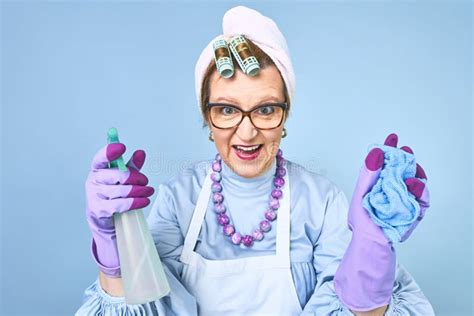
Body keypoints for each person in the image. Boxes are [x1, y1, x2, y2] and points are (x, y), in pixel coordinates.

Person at [76, 6, 434, 316]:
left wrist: (369, 260)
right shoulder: (178, 199)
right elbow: (147, 309)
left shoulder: (321, 202)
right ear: (207, 117)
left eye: (265, 109)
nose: (246, 133)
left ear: (285, 115)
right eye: (227, 110)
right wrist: (116, 252)